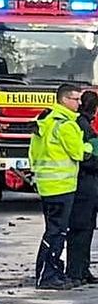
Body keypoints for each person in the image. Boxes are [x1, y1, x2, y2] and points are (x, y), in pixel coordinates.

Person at [29, 84, 91, 290]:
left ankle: (52, 272)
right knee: (57, 233)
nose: (79, 103)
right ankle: (47, 275)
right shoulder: (66, 125)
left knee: (54, 231)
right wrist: (90, 146)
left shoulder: (45, 120)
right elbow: (79, 153)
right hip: (62, 186)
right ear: (64, 100)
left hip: (47, 185)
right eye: (76, 99)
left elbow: (33, 152)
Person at [67, 90, 98, 285]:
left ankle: (81, 270)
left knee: (85, 229)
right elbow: (86, 158)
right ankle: (76, 272)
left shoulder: (80, 124)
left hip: (84, 185)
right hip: (84, 185)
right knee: (81, 229)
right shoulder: (82, 126)